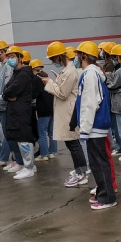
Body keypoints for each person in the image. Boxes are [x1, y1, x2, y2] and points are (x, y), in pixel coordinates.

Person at [75, 41, 117, 210]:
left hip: (94, 126)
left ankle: (107, 197)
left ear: (84, 56)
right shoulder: (90, 73)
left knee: (99, 162)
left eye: (78, 55)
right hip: (94, 125)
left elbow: (90, 103)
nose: (76, 58)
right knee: (96, 163)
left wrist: (84, 129)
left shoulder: (91, 75)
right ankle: (102, 192)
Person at [43, 42, 87, 186]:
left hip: (68, 112)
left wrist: (50, 82)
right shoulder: (66, 71)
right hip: (66, 111)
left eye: (53, 59)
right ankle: (80, 170)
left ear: (60, 57)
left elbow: (62, 93)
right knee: (71, 143)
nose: (53, 62)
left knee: (73, 143)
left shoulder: (69, 72)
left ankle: (81, 173)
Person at [2, 46, 37, 180]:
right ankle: (28, 166)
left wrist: (7, 94)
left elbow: (11, 90)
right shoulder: (16, 73)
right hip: (16, 110)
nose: (10, 59)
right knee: (20, 139)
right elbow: (6, 90)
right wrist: (7, 95)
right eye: (8, 57)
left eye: (12, 57)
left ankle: (29, 167)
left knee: (24, 139)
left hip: (21, 111)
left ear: (20, 58)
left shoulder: (23, 74)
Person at [30, 59, 55, 163]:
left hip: (43, 110)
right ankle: (52, 152)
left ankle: (44, 154)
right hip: (51, 108)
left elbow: (33, 95)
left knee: (42, 133)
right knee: (51, 133)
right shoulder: (45, 78)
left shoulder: (35, 80)